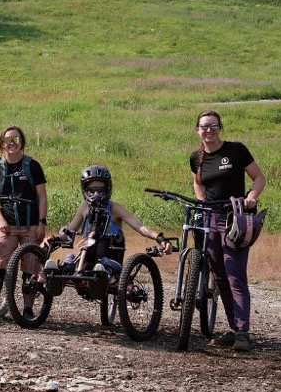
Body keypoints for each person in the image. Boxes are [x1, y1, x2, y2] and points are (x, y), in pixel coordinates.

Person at [190, 110, 265, 352]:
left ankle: (242, 332)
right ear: (197, 130)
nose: (209, 131)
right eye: (204, 126)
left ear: (220, 128)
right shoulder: (196, 158)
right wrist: (201, 202)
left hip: (235, 219)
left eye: (213, 126)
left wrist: (251, 197)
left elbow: (259, 178)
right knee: (220, 276)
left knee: (235, 275)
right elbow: (198, 183)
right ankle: (234, 328)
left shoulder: (236, 150)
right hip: (211, 219)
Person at [0, 126, 48, 321]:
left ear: (22, 143)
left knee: (30, 268)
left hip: (31, 225)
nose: (12, 143)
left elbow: (42, 196)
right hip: (7, 225)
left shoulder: (33, 166)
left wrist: (42, 223)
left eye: (16, 139)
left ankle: (28, 309)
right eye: (8, 140)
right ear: (2, 144)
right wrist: (0, 220)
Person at [48, 165, 172, 276]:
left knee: (103, 264)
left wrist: (160, 239)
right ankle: (52, 275)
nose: (96, 194)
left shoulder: (114, 208)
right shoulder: (84, 207)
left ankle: (101, 274)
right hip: (87, 259)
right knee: (69, 259)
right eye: (91, 190)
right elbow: (69, 232)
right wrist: (54, 239)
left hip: (111, 259)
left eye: (100, 190)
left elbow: (139, 226)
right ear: (85, 190)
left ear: (107, 189)